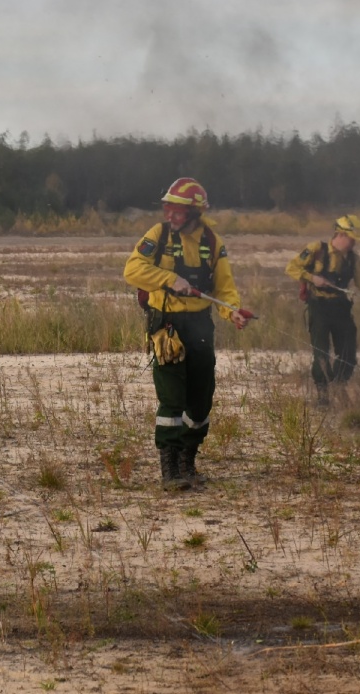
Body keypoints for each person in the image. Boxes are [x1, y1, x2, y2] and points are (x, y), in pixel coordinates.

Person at [123, 178, 252, 491]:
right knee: (171, 398)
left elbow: (224, 287)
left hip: (200, 327)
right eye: (168, 208)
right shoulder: (158, 235)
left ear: (194, 213)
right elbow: (132, 270)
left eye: (177, 211)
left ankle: (188, 461)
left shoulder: (212, 242)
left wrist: (232, 310)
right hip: (167, 328)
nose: (170, 215)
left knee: (200, 400)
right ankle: (170, 471)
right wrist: (169, 278)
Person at [284, 214, 360, 406]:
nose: (353, 244)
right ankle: (323, 394)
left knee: (349, 352)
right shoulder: (316, 249)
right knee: (321, 354)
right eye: (351, 240)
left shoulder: (354, 260)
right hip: (319, 307)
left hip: (341, 308)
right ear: (339, 235)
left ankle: (340, 384)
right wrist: (311, 278)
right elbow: (291, 267)